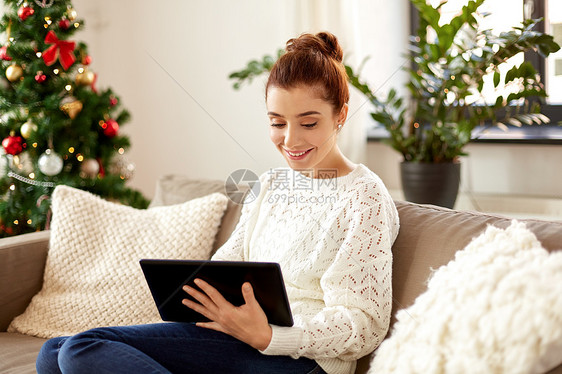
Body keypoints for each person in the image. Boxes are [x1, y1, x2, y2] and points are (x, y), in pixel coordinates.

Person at [36, 31, 400, 374]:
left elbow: (364, 324)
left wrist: (272, 336)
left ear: (341, 115)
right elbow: (229, 261)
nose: (290, 139)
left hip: (300, 361)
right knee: (52, 353)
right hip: (234, 337)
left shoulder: (363, 196)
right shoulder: (271, 184)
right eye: (277, 123)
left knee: (79, 350)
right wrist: (203, 297)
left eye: (308, 123)